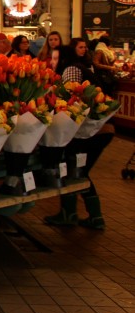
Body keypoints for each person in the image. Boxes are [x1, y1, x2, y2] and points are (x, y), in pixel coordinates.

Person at [46, 38, 113, 230]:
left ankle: (77, 214)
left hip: (92, 131)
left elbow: (72, 100)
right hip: (97, 130)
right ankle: (83, 215)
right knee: (78, 171)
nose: (52, 61)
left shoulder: (71, 70)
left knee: (77, 172)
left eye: (55, 58)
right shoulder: (78, 67)